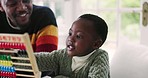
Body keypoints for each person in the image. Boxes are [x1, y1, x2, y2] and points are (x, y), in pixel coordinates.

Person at [35, 14, 110, 78]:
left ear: (96, 44)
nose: (70, 39)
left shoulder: (100, 57)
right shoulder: (62, 55)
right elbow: (39, 60)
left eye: (78, 36)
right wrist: (24, 54)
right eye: (70, 33)